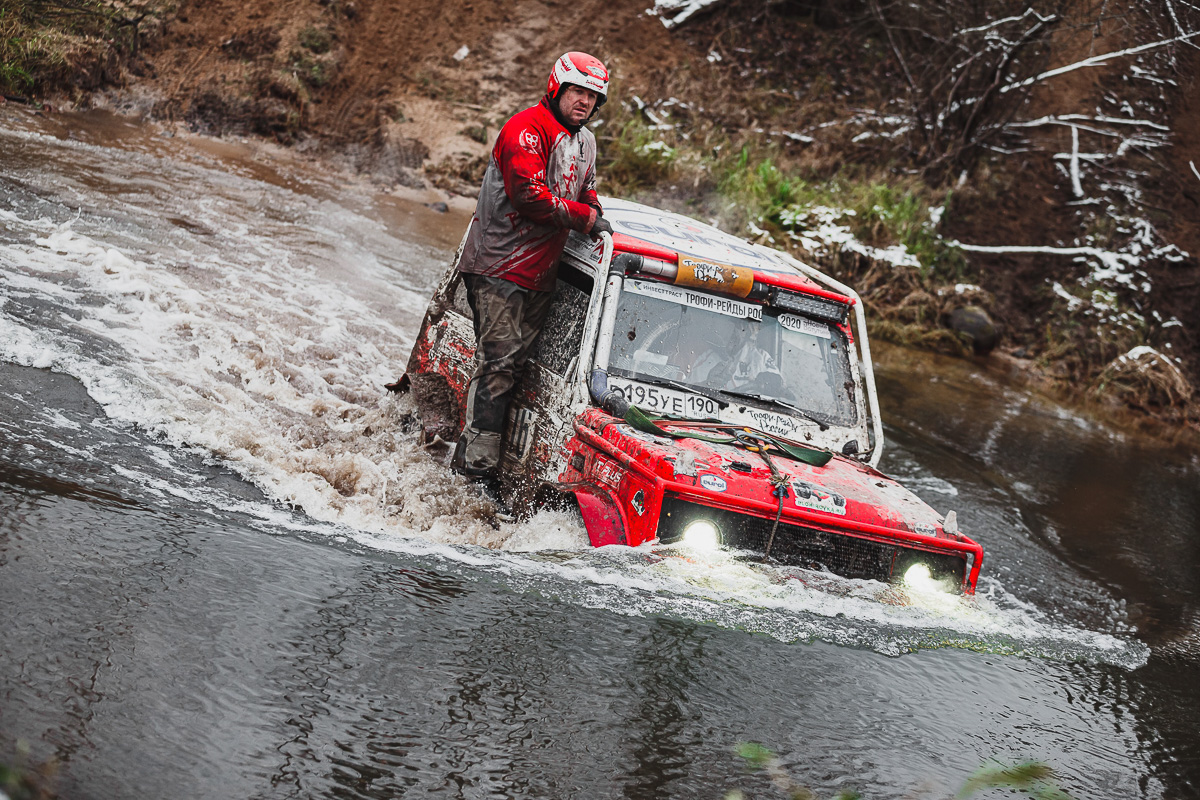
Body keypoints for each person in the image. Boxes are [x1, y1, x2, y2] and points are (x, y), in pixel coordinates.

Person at [451, 52, 614, 483]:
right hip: (497, 265)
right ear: (557, 88)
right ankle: (476, 472)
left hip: (542, 272)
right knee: (500, 363)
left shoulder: (587, 143)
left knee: (515, 368)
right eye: (577, 91)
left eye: (593, 96)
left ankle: (478, 457)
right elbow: (529, 198)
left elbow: (590, 190)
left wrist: (591, 209)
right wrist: (585, 218)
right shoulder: (525, 129)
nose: (584, 102)